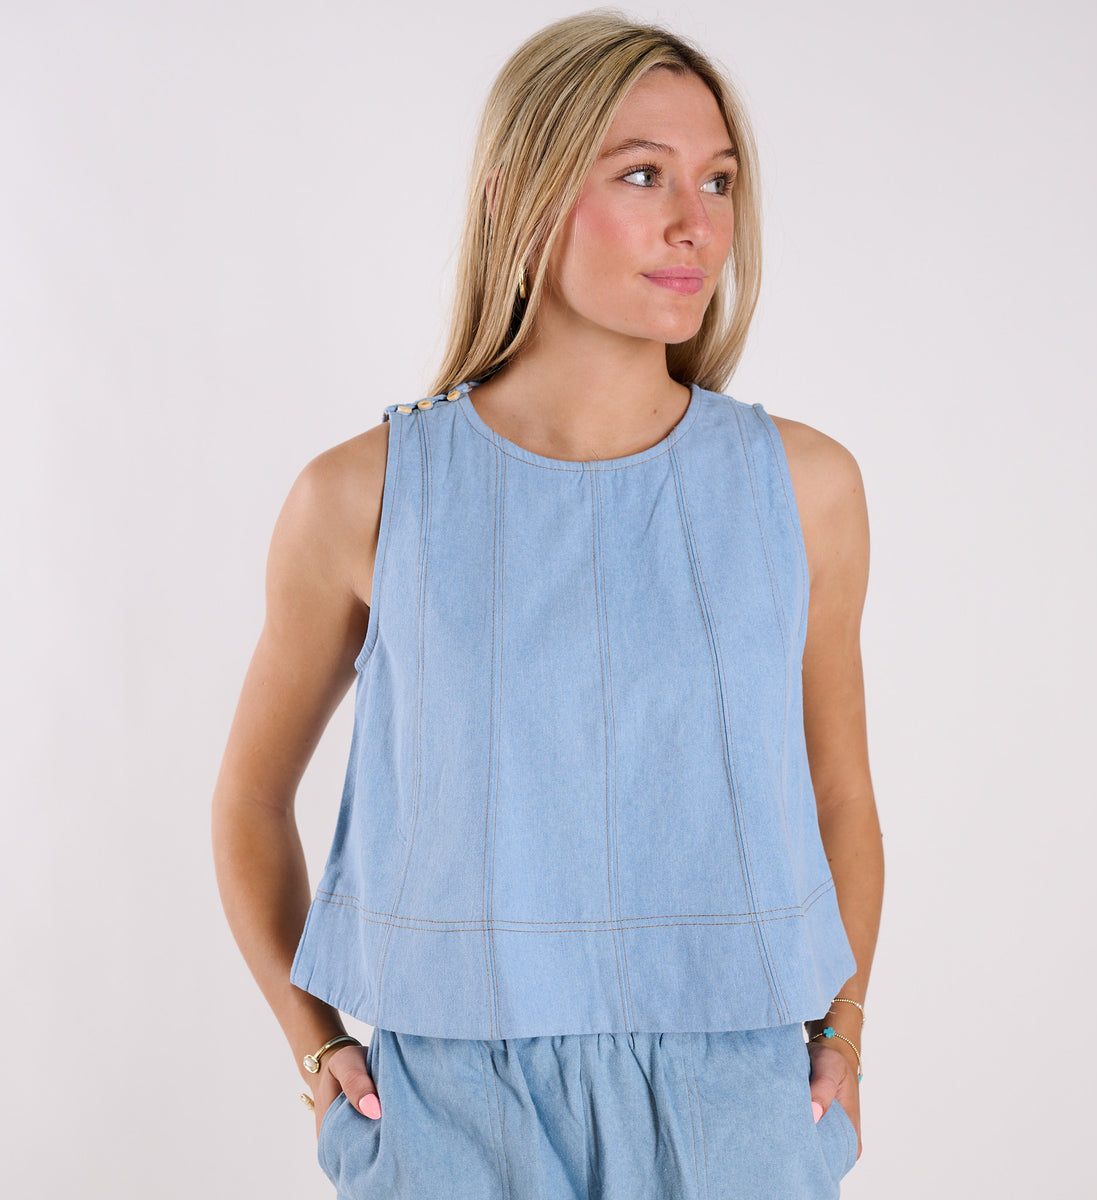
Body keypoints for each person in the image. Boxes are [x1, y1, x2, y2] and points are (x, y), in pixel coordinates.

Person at [212, 9, 884, 1198]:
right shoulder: (361, 498)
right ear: (517, 194)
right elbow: (251, 799)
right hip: (455, 1113)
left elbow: (839, 791)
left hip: (741, 1107)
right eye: (644, 175)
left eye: (719, 181)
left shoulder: (802, 487)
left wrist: (843, 1030)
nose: (698, 224)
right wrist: (313, 1045)